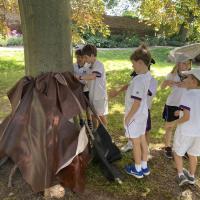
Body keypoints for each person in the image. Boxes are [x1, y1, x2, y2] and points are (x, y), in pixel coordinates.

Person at [109, 59, 157, 154]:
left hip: (143, 110)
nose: (133, 67)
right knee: (132, 129)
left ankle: (145, 150)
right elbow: (129, 85)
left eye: (134, 64)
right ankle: (131, 143)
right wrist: (118, 91)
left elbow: (142, 94)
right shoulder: (136, 78)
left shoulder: (151, 80)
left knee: (145, 131)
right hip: (133, 109)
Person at [168, 68, 200, 186]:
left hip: (186, 131)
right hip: (198, 132)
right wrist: (179, 112)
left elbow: (186, 117)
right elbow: (194, 110)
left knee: (177, 153)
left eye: (187, 77)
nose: (184, 79)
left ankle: (181, 175)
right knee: (193, 154)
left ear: (194, 82)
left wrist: (173, 123)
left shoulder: (187, 94)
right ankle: (192, 177)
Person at [123, 44, 152, 179]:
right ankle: (144, 166)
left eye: (133, 64)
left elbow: (136, 102)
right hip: (142, 115)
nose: (132, 67)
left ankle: (137, 169)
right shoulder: (147, 75)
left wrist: (128, 117)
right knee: (142, 140)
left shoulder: (139, 80)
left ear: (140, 63)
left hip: (135, 116)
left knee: (135, 142)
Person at [161, 53, 192, 159]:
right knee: (169, 127)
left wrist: (186, 84)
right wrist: (167, 82)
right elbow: (162, 87)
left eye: (186, 64)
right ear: (178, 64)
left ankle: (182, 149)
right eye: (182, 63)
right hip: (172, 104)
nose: (184, 66)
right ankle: (167, 147)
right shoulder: (172, 74)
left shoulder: (191, 76)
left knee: (183, 127)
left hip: (185, 106)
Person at [78, 44, 108, 128]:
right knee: (93, 115)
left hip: (99, 96)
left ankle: (105, 133)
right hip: (92, 95)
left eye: (86, 57)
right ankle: (96, 131)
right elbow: (86, 79)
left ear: (92, 55)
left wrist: (79, 77)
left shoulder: (99, 65)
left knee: (101, 116)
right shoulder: (88, 66)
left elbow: (93, 76)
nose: (85, 59)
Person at [73, 48, 92, 129]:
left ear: (84, 58)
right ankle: (81, 121)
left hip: (85, 90)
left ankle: (89, 121)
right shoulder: (73, 66)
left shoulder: (88, 67)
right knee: (78, 105)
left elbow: (89, 79)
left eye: (81, 57)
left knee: (87, 107)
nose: (79, 59)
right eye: (77, 57)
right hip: (76, 90)